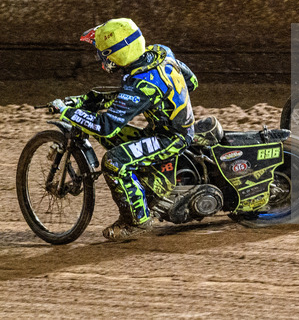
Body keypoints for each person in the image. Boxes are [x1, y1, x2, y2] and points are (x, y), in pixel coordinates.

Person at [50, 18, 198, 240]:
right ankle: (148, 183)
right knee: (116, 139)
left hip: (171, 137)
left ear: (117, 53)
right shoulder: (160, 52)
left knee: (113, 162)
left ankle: (136, 221)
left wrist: (67, 112)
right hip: (166, 127)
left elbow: (105, 126)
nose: (101, 57)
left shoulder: (141, 84)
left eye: (103, 53)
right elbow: (192, 81)